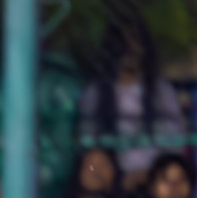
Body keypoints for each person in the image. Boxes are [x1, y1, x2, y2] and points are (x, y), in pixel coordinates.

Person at [79, 17, 185, 185]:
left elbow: (174, 146)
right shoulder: (96, 93)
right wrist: (108, 176)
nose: (132, 50)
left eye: (136, 42)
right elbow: (86, 146)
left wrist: (147, 175)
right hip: (109, 184)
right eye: (124, 44)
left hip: (154, 184)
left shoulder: (160, 91)